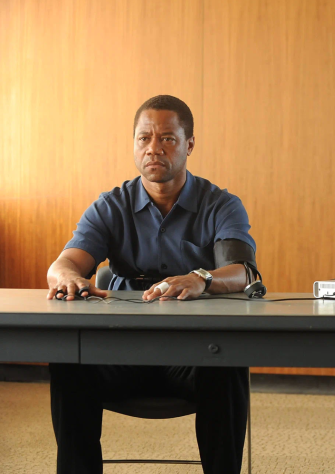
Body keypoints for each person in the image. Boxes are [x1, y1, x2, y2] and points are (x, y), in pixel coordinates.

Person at [46, 95, 258, 474]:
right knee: (69, 362)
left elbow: (243, 272)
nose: (153, 148)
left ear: (189, 145)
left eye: (167, 138)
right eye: (144, 138)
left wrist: (201, 278)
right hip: (121, 351)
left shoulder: (220, 205)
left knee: (228, 364)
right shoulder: (110, 207)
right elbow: (63, 265)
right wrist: (69, 278)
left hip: (194, 353)